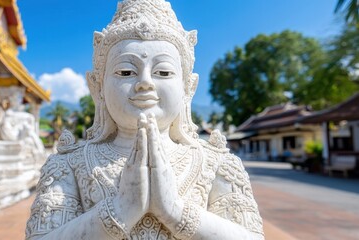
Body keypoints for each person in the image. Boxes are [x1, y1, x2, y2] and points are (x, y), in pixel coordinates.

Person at [25, 0, 264, 239]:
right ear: (97, 86)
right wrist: (120, 211)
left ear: (188, 88)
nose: (145, 83)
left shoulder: (216, 163)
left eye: (163, 72)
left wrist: (175, 211)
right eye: (126, 72)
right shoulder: (68, 164)